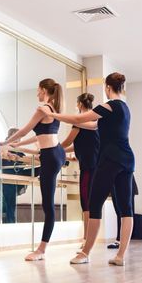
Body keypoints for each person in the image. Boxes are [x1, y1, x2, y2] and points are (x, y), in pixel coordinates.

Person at [40, 72, 135, 266]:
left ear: (107, 88)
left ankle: (85, 253)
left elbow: (78, 118)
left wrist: (53, 114)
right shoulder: (124, 108)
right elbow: (91, 125)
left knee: (94, 205)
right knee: (126, 209)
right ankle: (120, 256)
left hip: (110, 160)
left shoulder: (108, 105)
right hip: (127, 159)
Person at [1, 79, 65, 261]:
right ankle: (42, 248)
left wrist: (4, 143)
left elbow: (24, 130)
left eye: (38, 90)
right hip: (55, 152)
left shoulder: (42, 109)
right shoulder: (52, 109)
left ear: (44, 90)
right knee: (48, 203)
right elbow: (40, 135)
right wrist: (17, 144)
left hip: (50, 156)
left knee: (47, 205)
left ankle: (41, 250)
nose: (37, 94)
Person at [59, 93, 99, 248]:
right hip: (93, 165)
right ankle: (87, 238)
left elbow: (69, 141)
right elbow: (77, 145)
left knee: (86, 202)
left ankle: (86, 239)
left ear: (80, 105)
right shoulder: (94, 122)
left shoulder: (80, 122)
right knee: (90, 202)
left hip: (89, 166)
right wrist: (61, 150)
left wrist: (53, 148)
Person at [108, 176, 138, 249]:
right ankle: (119, 240)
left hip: (125, 184)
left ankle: (120, 240)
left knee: (124, 214)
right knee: (119, 213)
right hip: (116, 185)